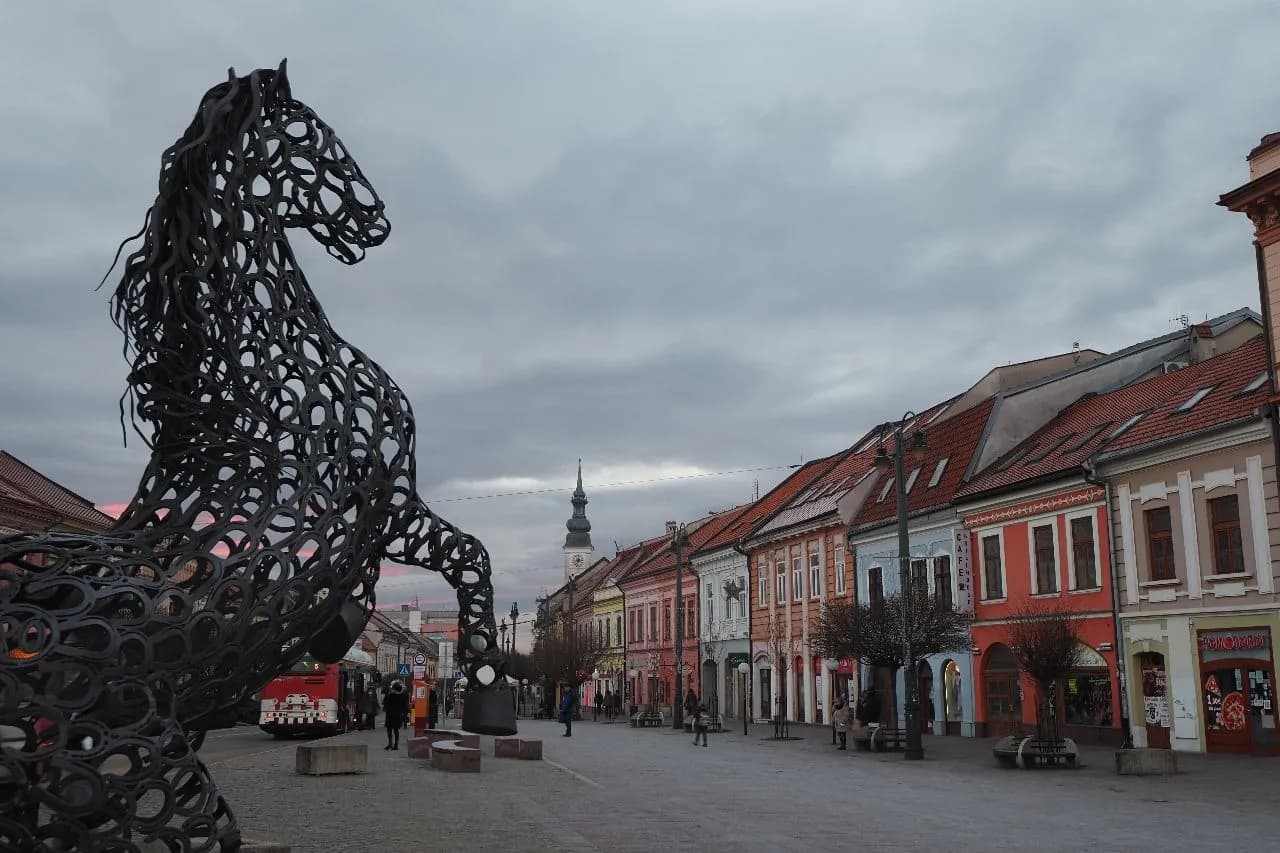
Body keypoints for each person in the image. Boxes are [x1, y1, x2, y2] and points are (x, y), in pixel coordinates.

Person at [382, 680, 409, 750]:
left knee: (389, 729)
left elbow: (386, 703)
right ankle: (395, 745)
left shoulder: (391, 695)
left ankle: (390, 744)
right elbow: (404, 705)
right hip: (397, 715)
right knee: (396, 730)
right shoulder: (402, 695)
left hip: (390, 715)